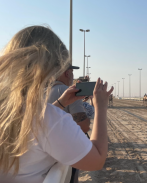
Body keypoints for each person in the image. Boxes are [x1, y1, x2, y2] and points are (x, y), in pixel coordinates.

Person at [0, 26, 113, 183]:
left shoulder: (7, 109)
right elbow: (97, 159)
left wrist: (60, 103)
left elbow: (34, 121)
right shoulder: (50, 118)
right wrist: (100, 106)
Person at [47, 71, 92, 183]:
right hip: (65, 152)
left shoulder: (38, 91)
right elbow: (84, 127)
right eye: (72, 72)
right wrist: (98, 106)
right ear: (67, 73)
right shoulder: (68, 92)